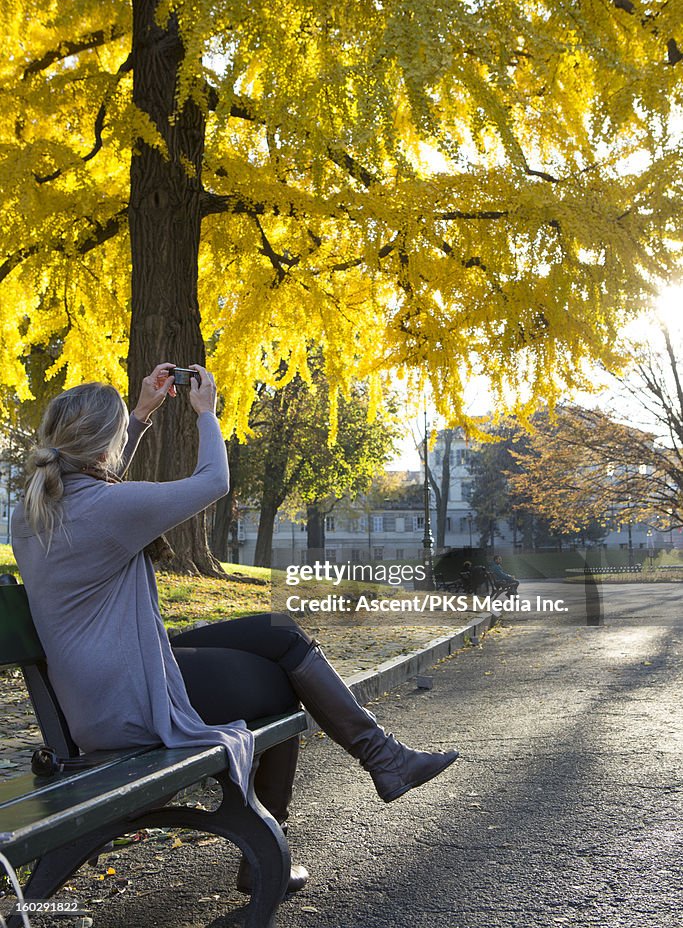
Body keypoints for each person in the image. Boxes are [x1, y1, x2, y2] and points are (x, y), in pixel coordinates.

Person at [10, 363, 458, 895]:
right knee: (282, 683)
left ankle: (384, 758)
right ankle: (332, 798)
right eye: (121, 434)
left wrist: (142, 414)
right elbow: (214, 483)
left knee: (276, 631)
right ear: (105, 444)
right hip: (130, 700)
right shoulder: (105, 508)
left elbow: (101, 485)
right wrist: (206, 415)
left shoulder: (38, 507)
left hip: (103, 684)